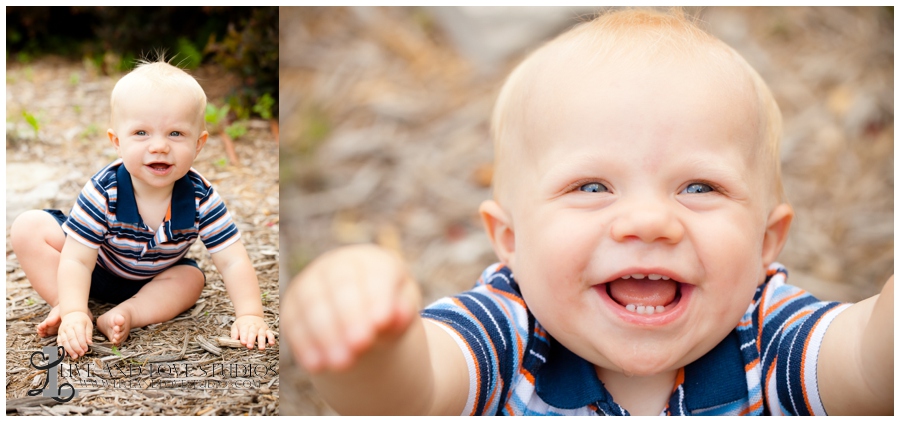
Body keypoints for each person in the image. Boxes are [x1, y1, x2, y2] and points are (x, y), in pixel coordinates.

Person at [282, 9, 893, 416]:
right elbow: (412, 395)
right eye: (593, 187)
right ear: (511, 240)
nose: (649, 221)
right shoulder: (511, 334)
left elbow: (870, 366)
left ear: (767, 241)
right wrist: (374, 348)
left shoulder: (766, 334)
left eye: (700, 187)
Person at [11, 60, 276, 359]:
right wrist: (73, 309)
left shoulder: (201, 197)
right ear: (117, 141)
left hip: (155, 277)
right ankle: (69, 305)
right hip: (96, 264)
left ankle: (128, 313)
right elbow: (76, 261)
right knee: (28, 227)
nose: (159, 146)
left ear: (199, 144)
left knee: (191, 279)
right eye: (141, 133)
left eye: (176, 133)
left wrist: (251, 314)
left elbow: (233, 262)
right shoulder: (104, 190)